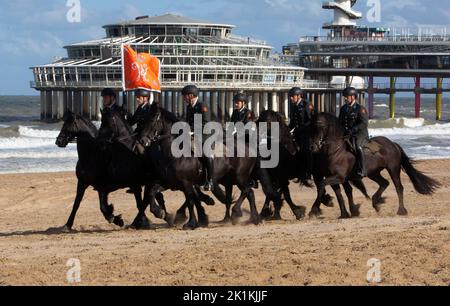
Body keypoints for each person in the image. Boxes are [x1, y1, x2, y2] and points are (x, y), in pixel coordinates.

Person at [182, 85, 214, 191]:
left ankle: (210, 180)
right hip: (193, 135)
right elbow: (188, 122)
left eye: (185, 96)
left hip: (205, 135)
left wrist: (193, 131)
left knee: (207, 154)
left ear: (191, 95)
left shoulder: (202, 105)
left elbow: (206, 123)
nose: (183, 98)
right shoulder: (189, 107)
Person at [339, 86, 369, 177]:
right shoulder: (343, 108)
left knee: (358, 146)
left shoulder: (360, 108)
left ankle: (362, 169)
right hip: (347, 133)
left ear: (352, 97)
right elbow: (340, 121)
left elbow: (364, 123)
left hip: (359, 134)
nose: (344, 98)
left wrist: (353, 129)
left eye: (346, 96)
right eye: (344, 96)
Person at [288, 87, 314, 182]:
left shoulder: (307, 104)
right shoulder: (294, 106)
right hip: (298, 133)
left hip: (307, 133)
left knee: (306, 150)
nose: (291, 98)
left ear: (298, 96)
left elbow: (311, 121)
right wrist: (286, 131)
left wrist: (300, 129)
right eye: (290, 96)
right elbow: (292, 123)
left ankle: (309, 172)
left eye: (292, 96)